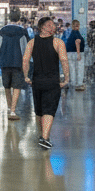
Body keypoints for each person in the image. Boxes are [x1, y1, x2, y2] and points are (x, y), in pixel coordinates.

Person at [21, 16, 69, 149]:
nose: (53, 27)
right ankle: (45, 137)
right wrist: (66, 78)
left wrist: (26, 76)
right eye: (50, 25)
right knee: (48, 110)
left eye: (53, 25)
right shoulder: (58, 42)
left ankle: (42, 135)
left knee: (39, 110)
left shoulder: (32, 42)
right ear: (42, 27)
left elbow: (25, 60)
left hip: (37, 82)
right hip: (52, 82)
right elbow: (64, 61)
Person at [0, 10, 30, 120]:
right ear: (19, 19)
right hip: (18, 63)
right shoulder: (22, 31)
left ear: (9, 18)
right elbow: (26, 48)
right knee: (17, 86)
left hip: (5, 62)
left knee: (6, 86)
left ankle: (10, 107)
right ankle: (13, 111)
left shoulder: (2, 31)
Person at [63, 19, 87, 91]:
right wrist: (78, 53)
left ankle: (73, 83)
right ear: (78, 25)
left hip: (69, 53)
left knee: (72, 69)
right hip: (77, 53)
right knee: (79, 69)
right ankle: (79, 84)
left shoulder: (71, 33)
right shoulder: (77, 33)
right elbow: (77, 42)